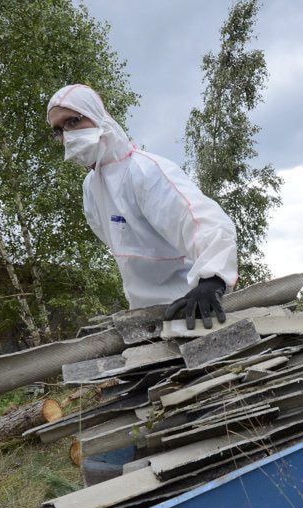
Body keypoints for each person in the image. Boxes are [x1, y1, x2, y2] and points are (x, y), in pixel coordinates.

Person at [46, 84, 238, 329]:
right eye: (58, 130)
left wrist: (211, 280)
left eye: (73, 122)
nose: (66, 136)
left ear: (98, 118)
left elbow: (203, 221)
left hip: (194, 309)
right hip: (149, 318)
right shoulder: (91, 188)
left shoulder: (145, 171)